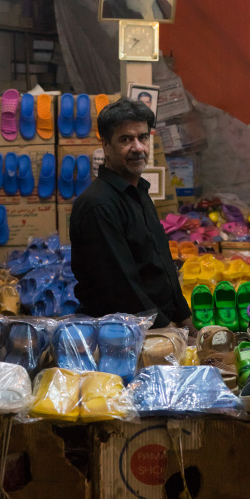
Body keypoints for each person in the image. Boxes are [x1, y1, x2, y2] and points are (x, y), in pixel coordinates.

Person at [70, 97, 196, 336]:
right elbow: (122, 287)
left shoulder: (138, 192)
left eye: (143, 137)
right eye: (126, 139)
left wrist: (187, 322)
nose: (138, 147)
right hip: (122, 335)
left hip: (157, 328)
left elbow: (163, 267)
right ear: (106, 145)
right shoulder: (98, 205)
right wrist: (169, 333)